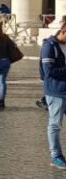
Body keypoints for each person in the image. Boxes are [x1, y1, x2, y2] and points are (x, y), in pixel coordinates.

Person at [41, 24, 66, 170]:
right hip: (56, 91)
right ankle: (55, 156)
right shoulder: (49, 46)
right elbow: (48, 71)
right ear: (63, 31)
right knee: (55, 124)